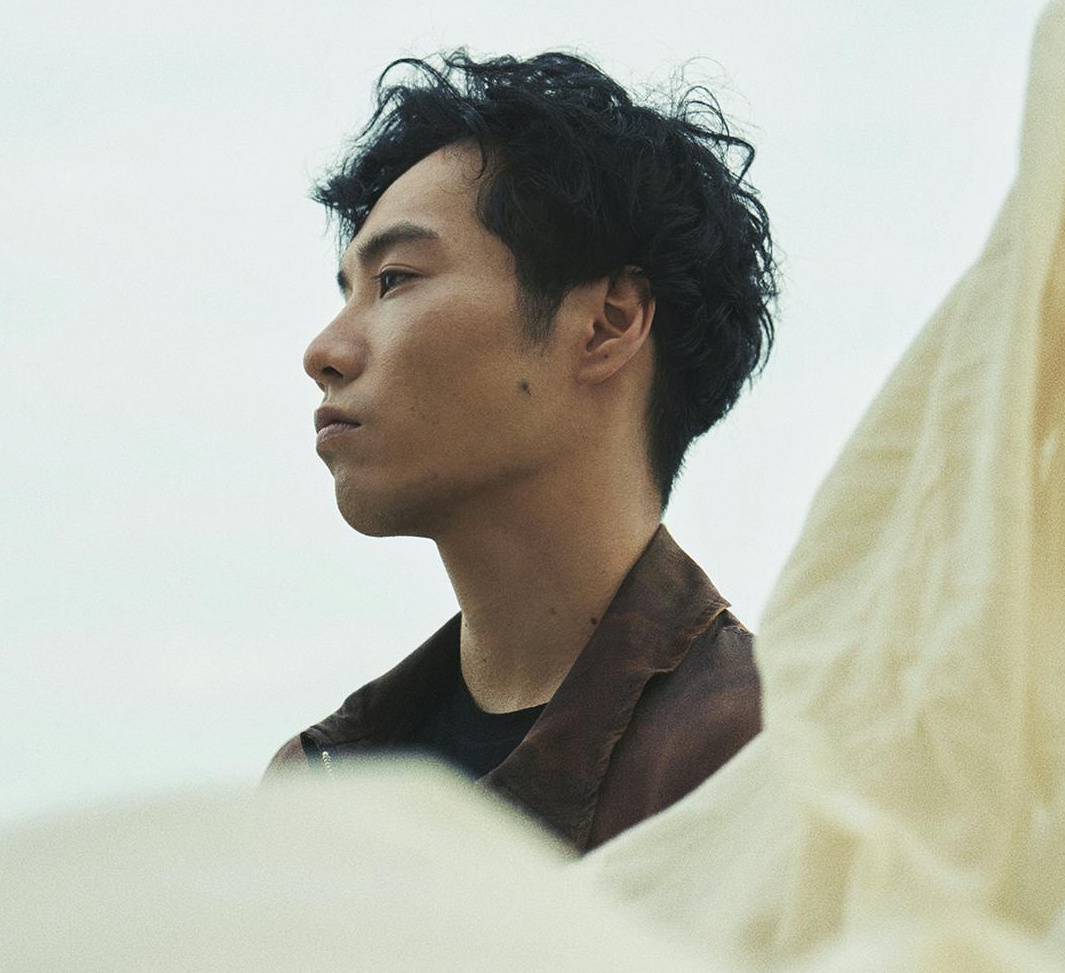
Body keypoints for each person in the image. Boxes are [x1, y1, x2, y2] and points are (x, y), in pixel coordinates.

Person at [266, 51, 777, 854]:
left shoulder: (770, 762)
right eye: (346, 292)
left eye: (394, 280)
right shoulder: (322, 786)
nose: (324, 352)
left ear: (607, 324)